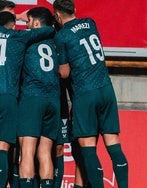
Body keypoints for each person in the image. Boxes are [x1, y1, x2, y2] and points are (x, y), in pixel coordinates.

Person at [0, 11, 55, 188]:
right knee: (1, 149)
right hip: (6, 98)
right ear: (13, 25)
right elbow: (48, 31)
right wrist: (24, 24)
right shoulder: (19, 36)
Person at [53, 0, 129, 187]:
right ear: (75, 10)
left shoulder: (62, 36)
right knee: (113, 143)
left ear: (57, 15)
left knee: (88, 148)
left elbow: (64, 72)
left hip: (85, 93)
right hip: (106, 89)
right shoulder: (91, 22)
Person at [17, 7, 60, 188]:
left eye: (28, 22)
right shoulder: (55, 40)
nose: (26, 26)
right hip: (53, 99)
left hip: (32, 97)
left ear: (35, 23)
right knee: (45, 152)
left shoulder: (27, 40)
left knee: (27, 152)